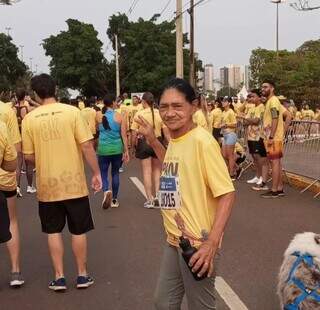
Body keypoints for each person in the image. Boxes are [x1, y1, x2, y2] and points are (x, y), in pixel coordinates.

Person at [135, 78, 235, 310]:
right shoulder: (177, 139)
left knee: (200, 306)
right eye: (164, 106)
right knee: (164, 302)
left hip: (197, 244)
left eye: (177, 106)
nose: (170, 113)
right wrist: (152, 139)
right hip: (174, 240)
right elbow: (172, 163)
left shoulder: (203, 142)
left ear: (194, 106)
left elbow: (227, 194)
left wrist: (211, 243)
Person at [21, 74, 102, 291]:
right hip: (74, 183)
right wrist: (96, 173)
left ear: (36, 93)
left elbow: (28, 156)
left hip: (48, 185)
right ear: (56, 89)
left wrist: (45, 157)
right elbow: (86, 146)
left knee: (53, 231)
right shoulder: (72, 113)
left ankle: (59, 277)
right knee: (78, 230)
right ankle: (82, 275)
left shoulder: (30, 119)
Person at [0, 100, 24, 287]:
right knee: (11, 220)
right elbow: (15, 151)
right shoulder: (6, 111)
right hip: (4, 179)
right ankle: (15, 271)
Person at [131, 92, 169, 209]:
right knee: (157, 170)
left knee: (147, 171)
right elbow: (166, 132)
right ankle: (158, 195)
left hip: (144, 142)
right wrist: (169, 145)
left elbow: (133, 133)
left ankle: (149, 199)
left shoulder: (139, 114)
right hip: (157, 142)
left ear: (144, 102)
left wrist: (132, 146)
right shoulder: (159, 113)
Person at [97, 94, 129, 209]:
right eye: (116, 101)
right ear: (112, 103)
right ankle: (114, 200)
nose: (117, 103)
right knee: (115, 173)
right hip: (117, 149)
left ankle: (106, 191)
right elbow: (124, 136)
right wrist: (126, 151)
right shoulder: (120, 116)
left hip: (103, 149)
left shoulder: (98, 116)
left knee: (103, 173)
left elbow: (96, 131)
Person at [260, 80, 291, 199]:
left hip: (272, 138)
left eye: (265, 87)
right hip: (272, 137)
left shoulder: (273, 101)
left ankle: (274, 190)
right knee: (276, 162)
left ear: (272, 88)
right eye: (262, 87)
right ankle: (279, 188)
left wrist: (273, 135)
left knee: (275, 162)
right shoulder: (273, 101)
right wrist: (282, 131)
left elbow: (275, 117)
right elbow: (288, 115)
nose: (263, 89)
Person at [242, 90, 269, 190]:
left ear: (258, 97)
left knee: (259, 157)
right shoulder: (251, 108)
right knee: (254, 156)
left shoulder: (261, 107)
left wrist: (246, 118)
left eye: (253, 96)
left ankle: (262, 177)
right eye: (250, 97)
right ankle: (257, 176)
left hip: (258, 136)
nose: (251, 99)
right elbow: (245, 122)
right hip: (250, 136)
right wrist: (248, 119)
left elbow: (256, 121)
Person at [0, 121, 17, 273]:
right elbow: (11, 165)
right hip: (3, 183)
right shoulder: (1, 126)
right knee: (11, 221)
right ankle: (15, 270)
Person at [13, 89, 36, 196]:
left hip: (16, 137)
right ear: (24, 96)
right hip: (26, 137)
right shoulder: (27, 108)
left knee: (18, 164)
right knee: (29, 164)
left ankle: (17, 187)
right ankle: (29, 186)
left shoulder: (12, 109)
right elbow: (42, 107)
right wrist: (31, 101)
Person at [221, 97, 238, 180]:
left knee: (230, 155)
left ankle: (232, 174)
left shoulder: (231, 112)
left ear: (229, 103)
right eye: (222, 101)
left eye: (225, 101)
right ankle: (235, 168)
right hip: (225, 135)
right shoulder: (223, 112)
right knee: (224, 154)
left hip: (231, 134)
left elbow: (235, 124)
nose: (223, 102)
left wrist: (226, 125)